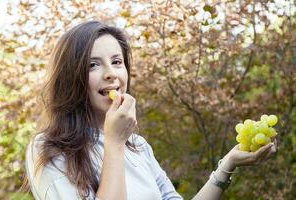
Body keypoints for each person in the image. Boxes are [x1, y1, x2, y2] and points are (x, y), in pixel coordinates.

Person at [25, 20, 277, 200]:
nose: (111, 73)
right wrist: (114, 141)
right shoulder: (48, 150)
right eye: (93, 65)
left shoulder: (138, 146)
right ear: (71, 78)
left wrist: (228, 164)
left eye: (116, 62)